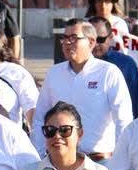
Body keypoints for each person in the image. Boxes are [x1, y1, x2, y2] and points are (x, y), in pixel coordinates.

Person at [33, 20, 132, 159]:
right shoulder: (54, 73)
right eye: (64, 38)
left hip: (98, 161)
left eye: (73, 38)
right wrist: (40, 155)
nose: (67, 43)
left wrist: (120, 159)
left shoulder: (108, 73)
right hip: (59, 161)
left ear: (91, 42)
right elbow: (40, 118)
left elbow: (123, 120)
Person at [88, 15, 138, 119]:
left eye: (100, 39)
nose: (95, 44)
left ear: (110, 38)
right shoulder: (74, 66)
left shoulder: (126, 64)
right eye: (90, 39)